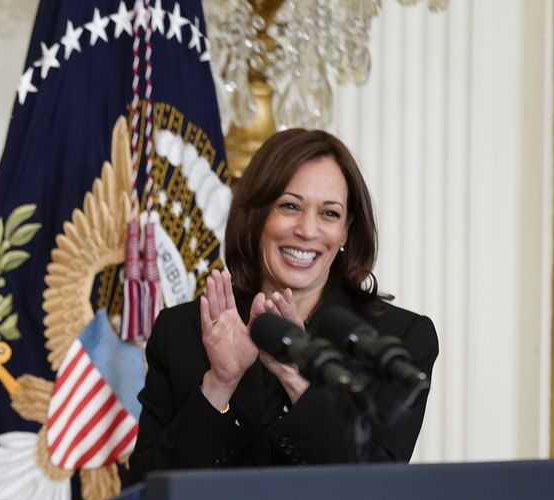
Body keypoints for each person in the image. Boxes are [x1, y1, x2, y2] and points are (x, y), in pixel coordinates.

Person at [129, 128, 438, 477]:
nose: (307, 230)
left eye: (330, 213)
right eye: (290, 206)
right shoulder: (182, 331)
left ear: (347, 231)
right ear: (257, 216)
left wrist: (297, 378)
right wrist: (219, 383)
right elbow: (146, 492)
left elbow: (375, 485)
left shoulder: (397, 339)